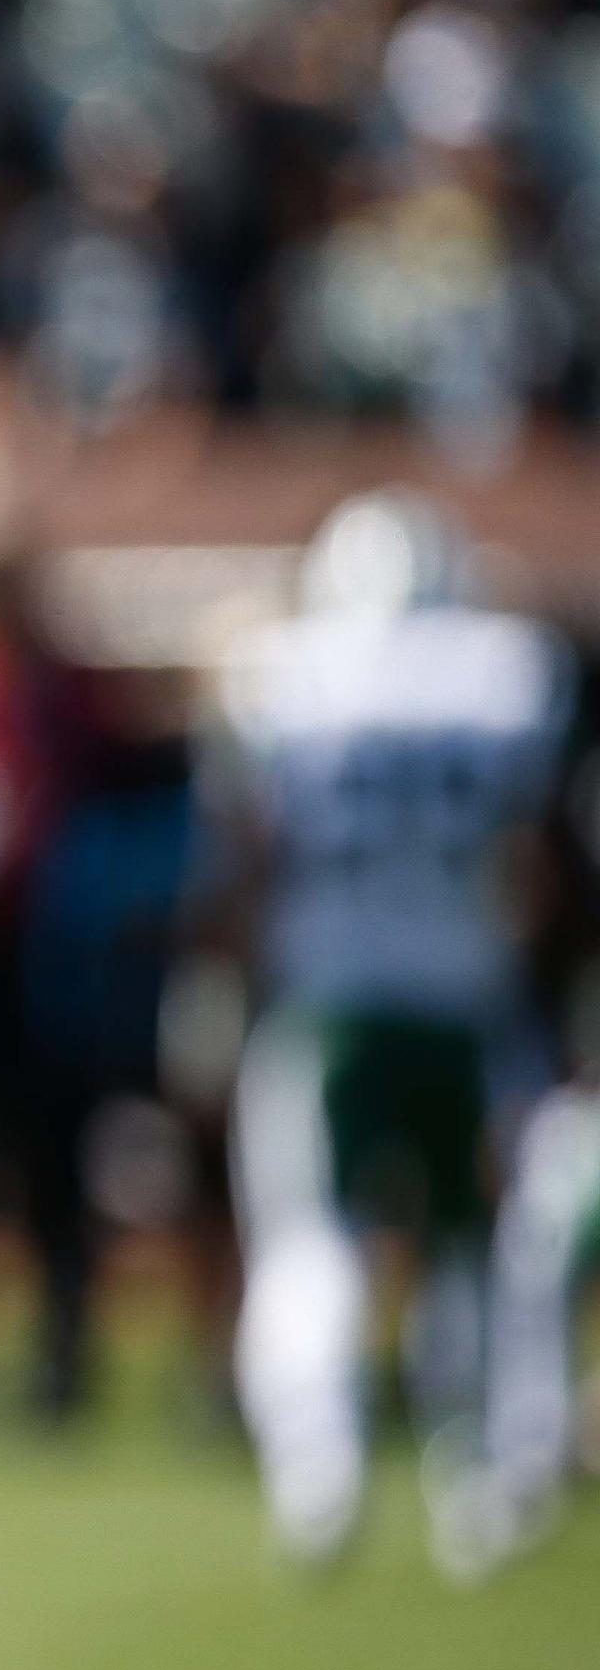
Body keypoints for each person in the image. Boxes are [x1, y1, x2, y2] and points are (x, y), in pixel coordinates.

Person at [208, 489, 573, 1573]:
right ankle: (486, 1477)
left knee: (310, 1231)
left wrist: (228, 969)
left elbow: (249, 853)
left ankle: (319, 1467)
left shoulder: (284, 672)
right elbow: (533, 860)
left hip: (333, 996)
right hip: (465, 989)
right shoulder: (509, 671)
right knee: (474, 1239)